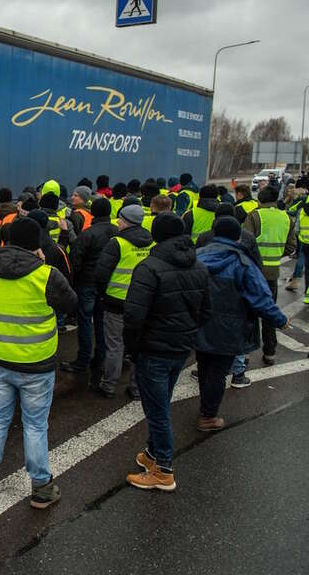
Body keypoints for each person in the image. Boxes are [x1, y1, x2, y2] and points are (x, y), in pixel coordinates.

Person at [0, 218, 77, 508]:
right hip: (37, 365)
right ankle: (41, 487)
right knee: (35, 426)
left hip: (0, 361)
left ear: (7, 241)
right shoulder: (46, 275)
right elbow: (71, 305)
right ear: (37, 244)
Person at [122, 213, 210, 491]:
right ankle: (151, 454)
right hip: (180, 348)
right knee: (161, 402)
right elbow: (206, 311)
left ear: (156, 235)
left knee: (158, 411)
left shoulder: (149, 267)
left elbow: (134, 316)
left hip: (153, 349)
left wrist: (133, 349)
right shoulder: (199, 266)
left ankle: (163, 469)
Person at [195, 217, 288, 431]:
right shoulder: (242, 262)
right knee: (218, 371)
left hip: (199, 322)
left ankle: (205, 407)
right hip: (230, 326)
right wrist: (280, 321)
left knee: (204, 365)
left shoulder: (197, 257)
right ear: (238, 237)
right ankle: (208, 416)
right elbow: (261, 298)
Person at [93, 204, 153, 398]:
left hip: (116, 302)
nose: (117, 221)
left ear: (126, 221)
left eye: (120, 219)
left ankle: (108, 385)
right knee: (139, 345)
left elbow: (102, 273)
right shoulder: (151, 242)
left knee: (114, 345)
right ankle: (136, 387)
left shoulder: (117, 243)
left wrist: (102, 294)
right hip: (142, 303)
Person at [63, 197, 118, 380]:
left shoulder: (88, 234)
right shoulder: (118, 232)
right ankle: (100, 358)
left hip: (86, 284)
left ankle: (83, 361)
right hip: (107, 285)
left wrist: (74, 281)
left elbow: (76, 261)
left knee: (85, 323)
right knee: (101, 321)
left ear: (92, 212)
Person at [242, 186, 297, 365]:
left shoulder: (254, 216)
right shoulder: (286, 217)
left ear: (261, 199)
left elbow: (245, 241)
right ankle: (270, 352)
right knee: (268, 312)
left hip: (252, 271)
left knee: (248, 313)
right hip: (272, 273)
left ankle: (246, 353)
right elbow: (291, 247)